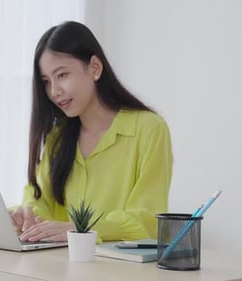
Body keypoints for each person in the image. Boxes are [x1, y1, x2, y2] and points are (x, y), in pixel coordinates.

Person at [10, 21, 173, 243]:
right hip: (59, 268)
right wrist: (25, 216)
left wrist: (79, 230)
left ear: (94, 67)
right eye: (46, 81)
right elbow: (42, 201)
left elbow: (147, 218)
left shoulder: (149, 130)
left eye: (62, 75)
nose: (54, 91)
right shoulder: (58, 137)